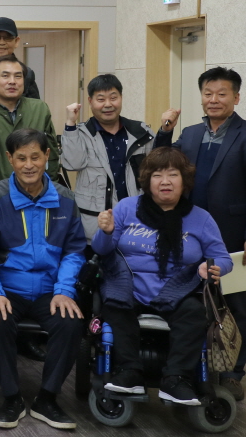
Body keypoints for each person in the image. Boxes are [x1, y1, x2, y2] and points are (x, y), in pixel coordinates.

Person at [155, 67, 246, 400]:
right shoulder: (191, 134)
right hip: (191, 235)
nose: (214, 99)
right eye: (208, 93)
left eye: (222, 94)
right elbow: (163, 163)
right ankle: (194, 365)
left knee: (236, 305)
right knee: (193, 300)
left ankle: (233, 373)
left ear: (236, 97)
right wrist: (165, 132)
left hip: (235, 236)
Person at [93, 147, 232, 406]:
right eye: (157, 175)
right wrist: (106, 232)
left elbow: (224, 258)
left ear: (184, 180)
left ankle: (175, 379)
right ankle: (130, 372)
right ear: (147, 181)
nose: (165, 181)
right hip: (130, 284)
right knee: (115, 305)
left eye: (172, 174)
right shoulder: (126, 208)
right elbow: (102, 250)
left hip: (177, 287)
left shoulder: (201, 218)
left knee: (194, 314)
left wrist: (212, 268)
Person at [0, 128, 87, 430]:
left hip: (51, 289)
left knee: (71, 323)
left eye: (35, 157)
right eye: (21, 158)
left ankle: (47, 399)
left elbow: (74, 252)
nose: (29, 165)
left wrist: (64, 291)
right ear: (9, 159)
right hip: (8, 288)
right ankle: (11, 398)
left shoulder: (65, 199)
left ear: (47, 156)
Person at [61, 74, 154, 239]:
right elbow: (73, 164)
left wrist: (166, 130)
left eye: (113, 98)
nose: (108, 104)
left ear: (121, 98)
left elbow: (158, 166)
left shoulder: (140, 132)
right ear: (90, 101)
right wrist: (70, 123)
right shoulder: (81, 133)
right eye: (101, 99)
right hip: (94, 224)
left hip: (135, 221)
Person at [0, 55, 59, 192]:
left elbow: (51, 154)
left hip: (37, 190)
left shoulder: (40, 108)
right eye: (5, 76)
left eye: (18, 76)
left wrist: (52, 187)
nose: (12, 81)